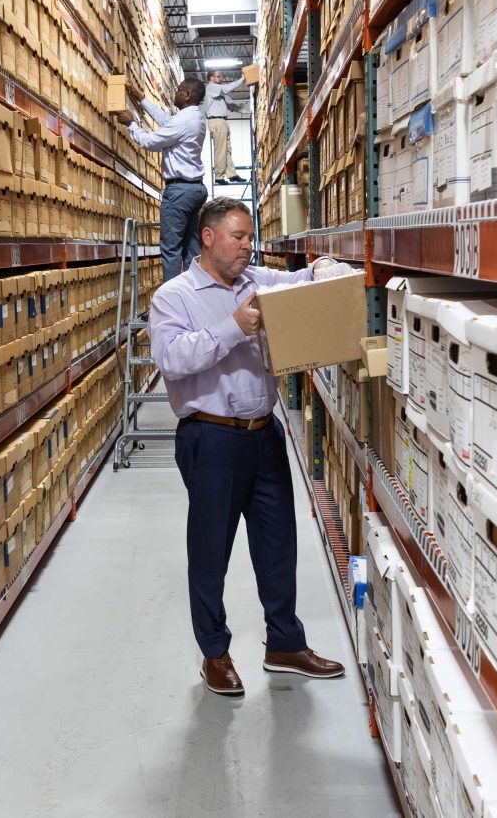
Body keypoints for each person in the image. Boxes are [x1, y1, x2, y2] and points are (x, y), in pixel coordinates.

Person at [148, 196, 345, 697]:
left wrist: (321, 265)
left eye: (250, 238)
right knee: (211, 549)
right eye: (238, 237)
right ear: (209, 237)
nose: (246, 247)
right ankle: (214, 653)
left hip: (264, 433)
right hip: (210, 436)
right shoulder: (175, 296)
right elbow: (172, 359)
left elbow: (300, 285)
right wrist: (233, 328)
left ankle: (284, 644)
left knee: (279, 542)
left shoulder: (255, 280)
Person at [115, 78, 208, 282]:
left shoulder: (184, 121)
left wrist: (131, 123)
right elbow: (167, 121)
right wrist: (142, 100)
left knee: (171, 249)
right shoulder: (195, 118)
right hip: (195, 190)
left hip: (179, 192)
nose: (175, 92)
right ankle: (195, 298)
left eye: (179, 90)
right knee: (192, 250)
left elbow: (150, 142)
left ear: (188, 95)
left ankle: (171, 305)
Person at [203, 71, 247, 185]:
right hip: (216, 121)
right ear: (211, 78)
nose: (221, 78)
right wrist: (242, 79)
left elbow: (232, 105)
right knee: (220, 150)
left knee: (227, 149)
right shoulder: (212, 88)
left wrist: (248, 112)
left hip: (223, 121)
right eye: (218, 76)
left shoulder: (220, 93)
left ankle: (232, 174)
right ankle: (219, 176)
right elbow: (226, 88)